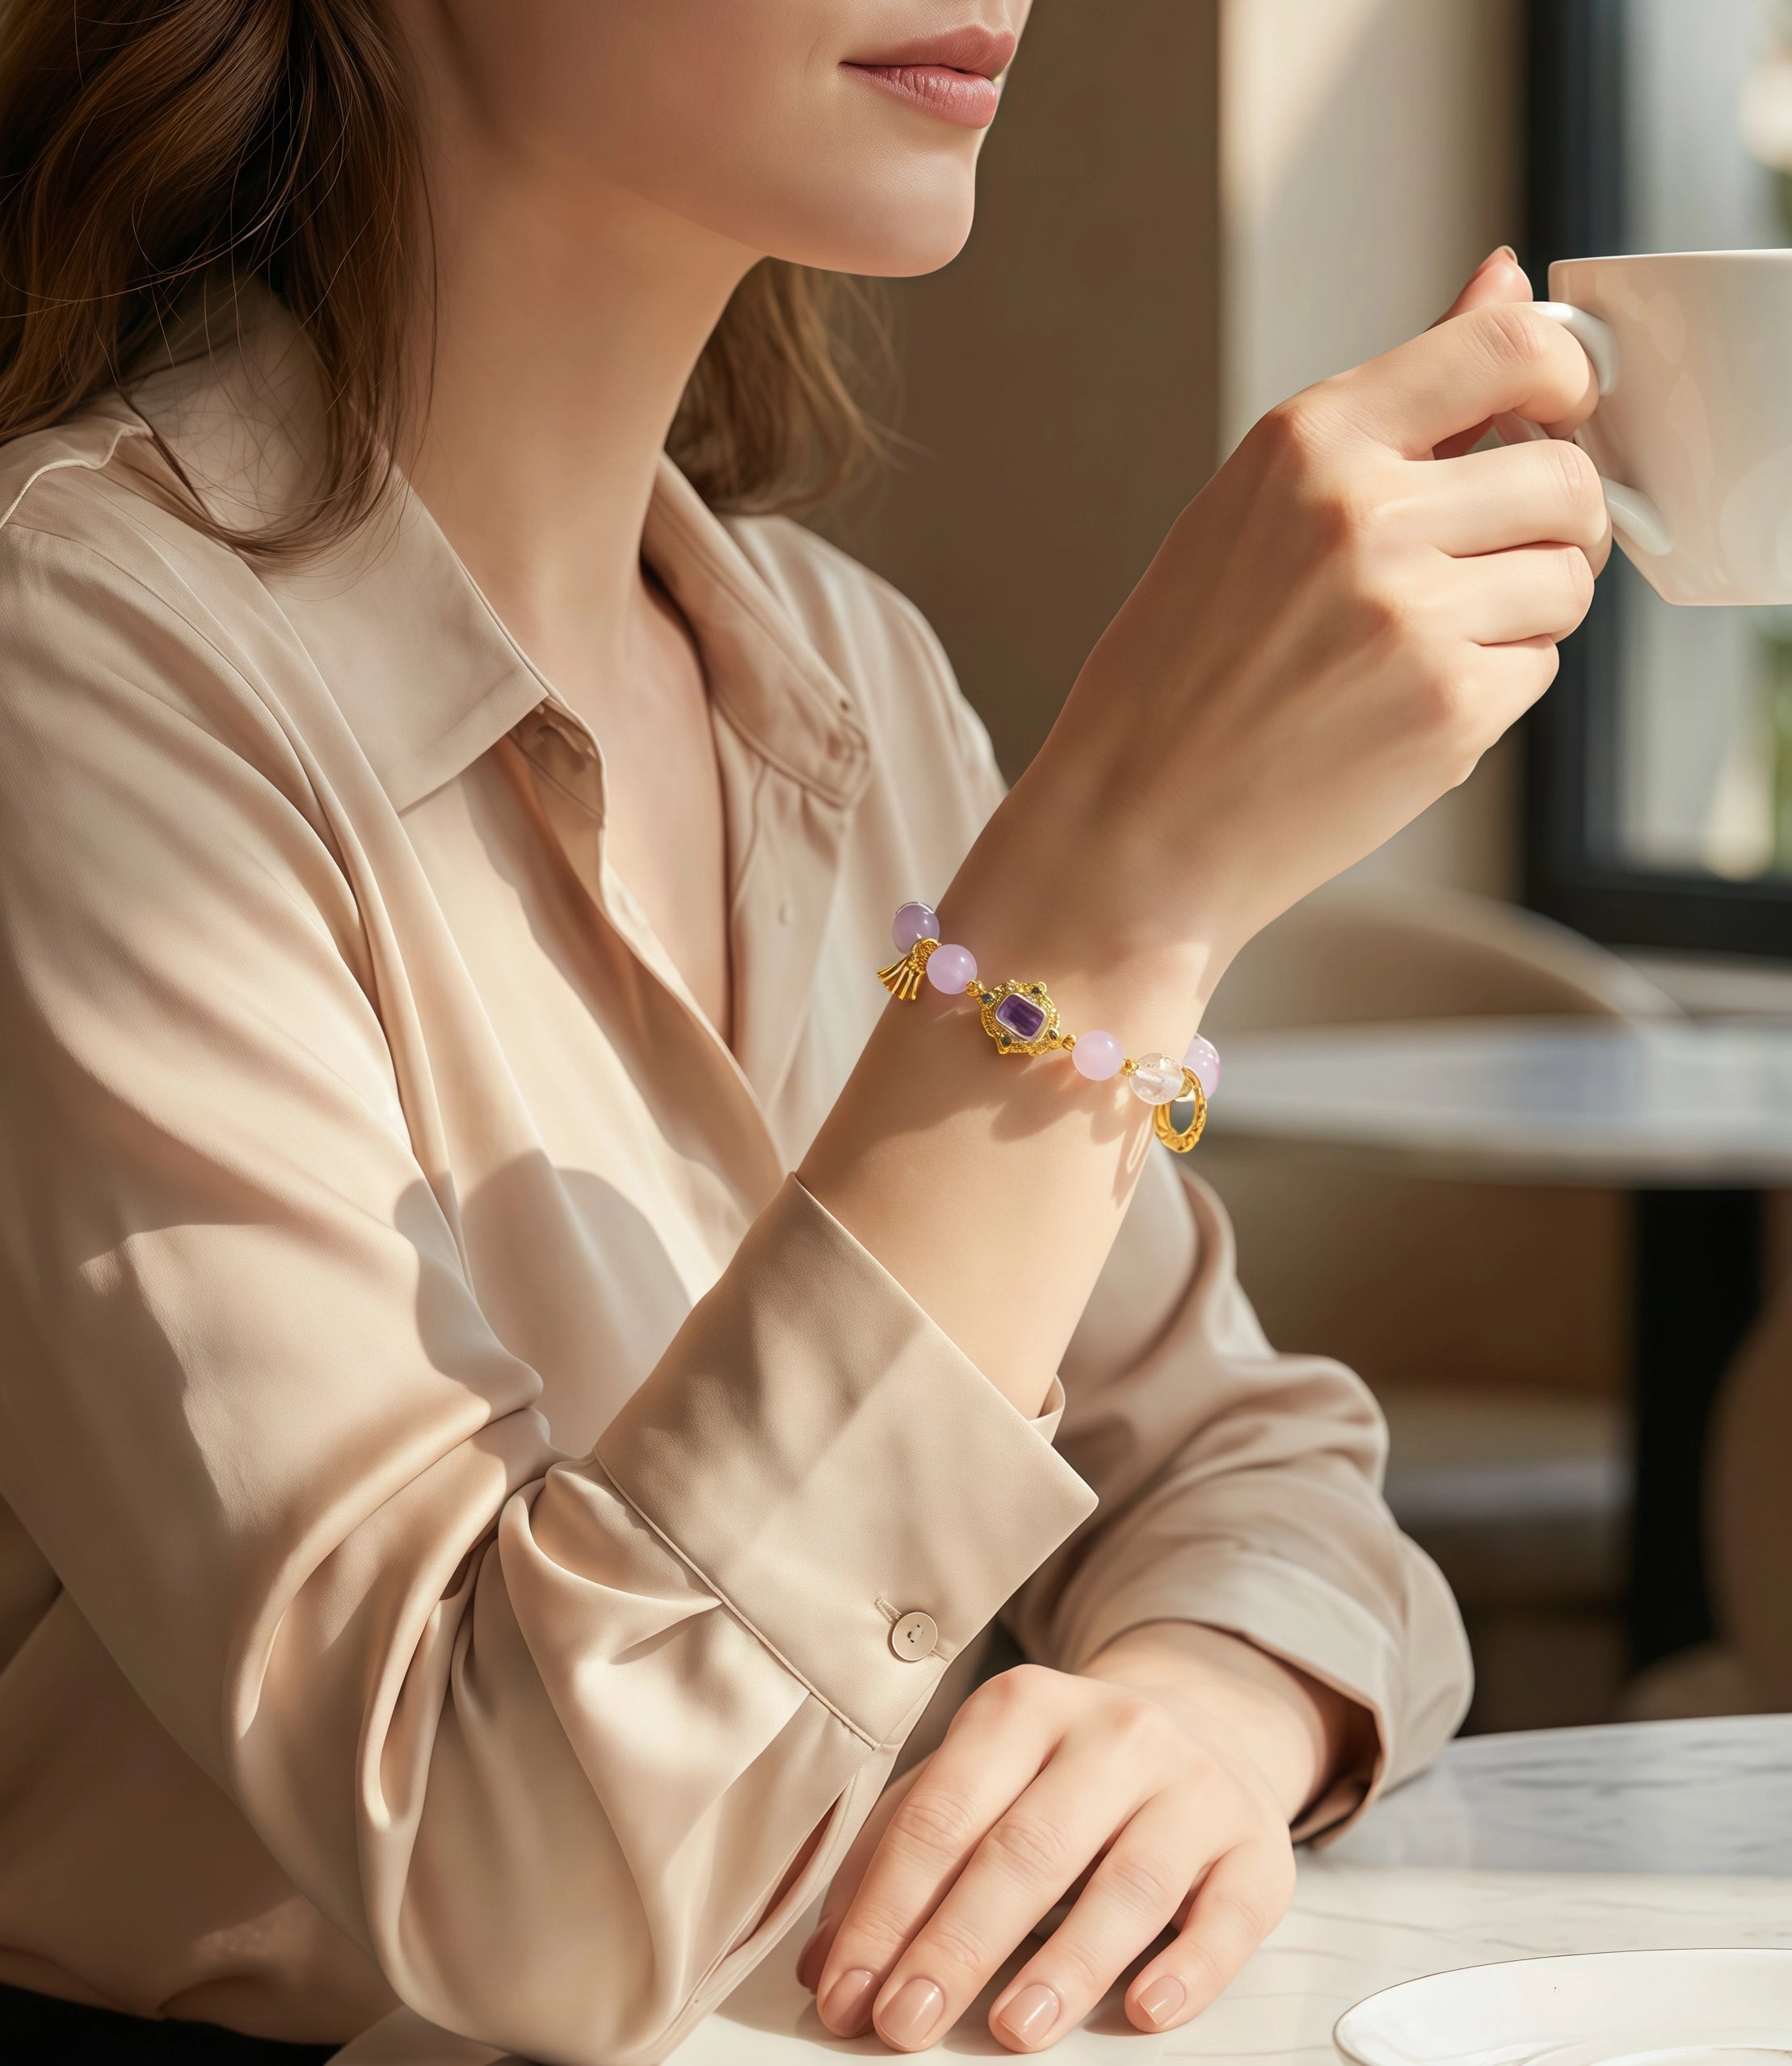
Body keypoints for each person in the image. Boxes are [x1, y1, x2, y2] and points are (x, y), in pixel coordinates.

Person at [0, 2, 1610, 2060]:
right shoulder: (79, 658)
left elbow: (1255, 1466)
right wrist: (1113, 894)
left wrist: (1195, 1713)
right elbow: (522, 1880)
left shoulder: (848, 667)